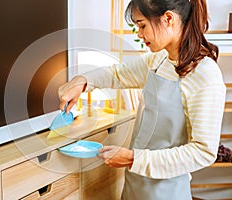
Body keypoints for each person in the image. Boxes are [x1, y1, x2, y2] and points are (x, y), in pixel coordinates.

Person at [58, 0, 226, 199]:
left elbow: (203, 152)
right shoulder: (160, 60)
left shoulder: (205, 75)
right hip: (134, 186)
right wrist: (83, 81)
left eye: (142, 25)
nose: (139, 34)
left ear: (168, 19)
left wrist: (133, 158)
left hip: (166, 192)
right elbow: (119, 75)